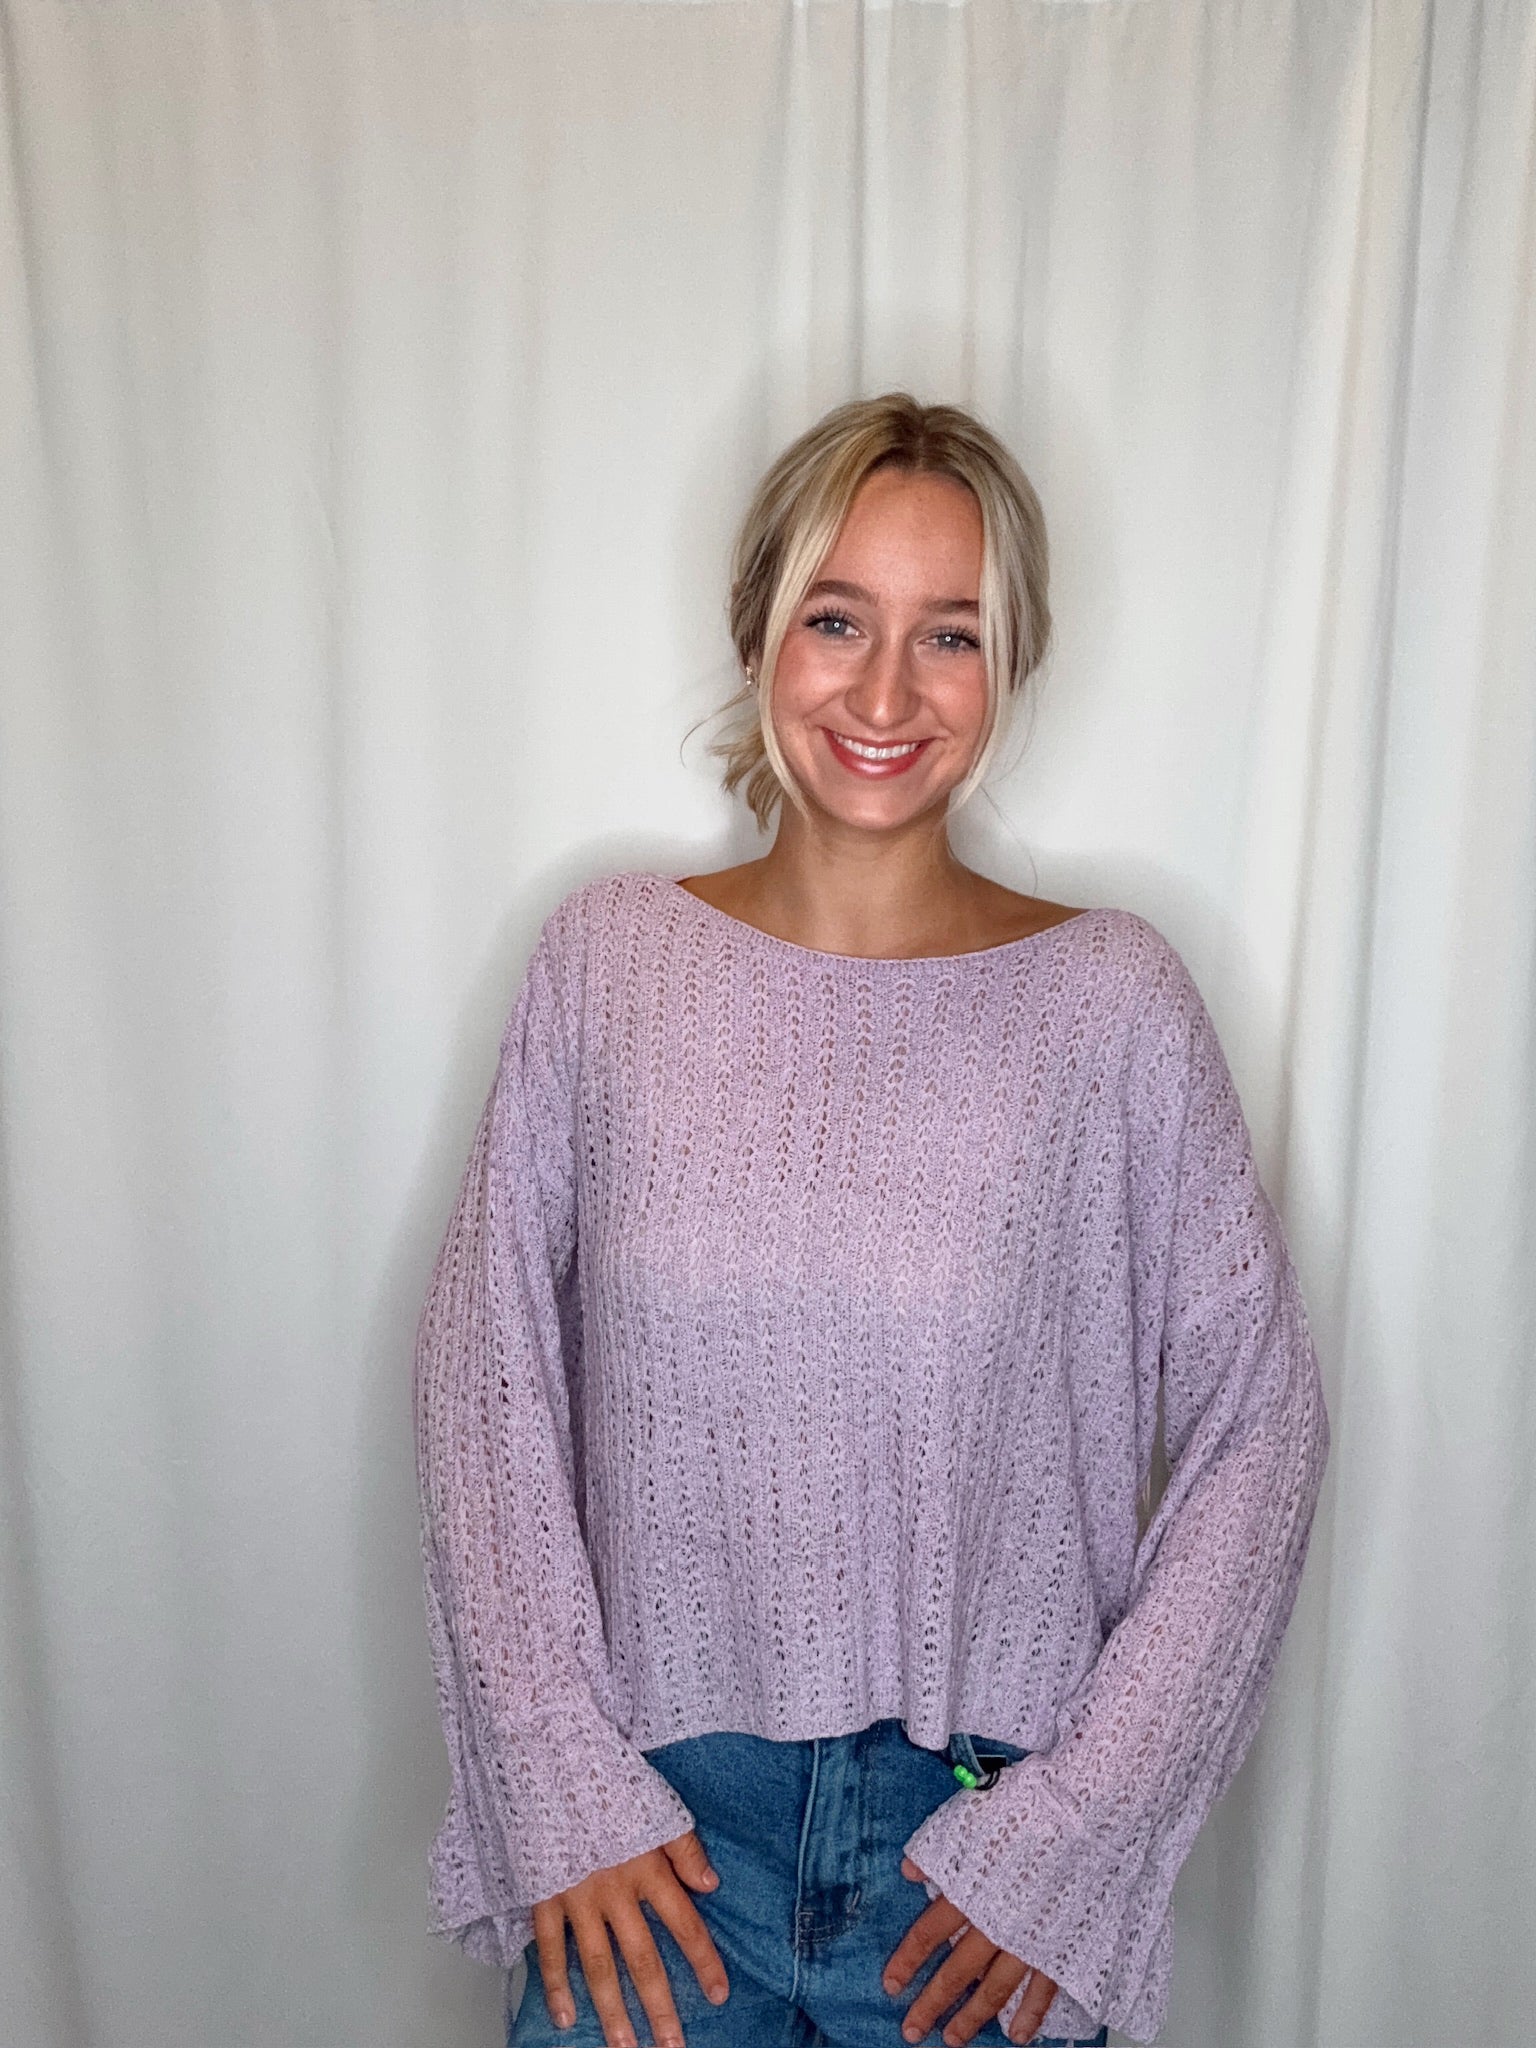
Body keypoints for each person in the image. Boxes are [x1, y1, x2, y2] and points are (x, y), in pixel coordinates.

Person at [412, 393, 1331, 2048]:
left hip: (975, 1869)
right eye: (838, 619)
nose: (888, 694)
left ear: (1010, 664)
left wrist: (1078, 1835)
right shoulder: (607, 965)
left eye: (950, 635)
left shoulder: (1109, 1004)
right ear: (756, 627)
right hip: (653, 1850)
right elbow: (486, 1386)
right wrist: (557, 1781)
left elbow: (1262, 1425)